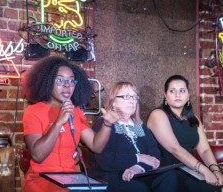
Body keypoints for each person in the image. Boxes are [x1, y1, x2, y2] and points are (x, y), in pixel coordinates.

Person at [21, 55, 119, 192]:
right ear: (48, 82)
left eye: (71, 81)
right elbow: (38, 155)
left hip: (70, 179)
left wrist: (107, 124)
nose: (67, 85)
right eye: (60, 80)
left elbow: (96, 146)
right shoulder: (33, 111)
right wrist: (58, 122)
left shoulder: (76, 111)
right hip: (42, 179)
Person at [88, 81, 177, 192]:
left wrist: (138, 167)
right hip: (111, 175)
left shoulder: (139, 125)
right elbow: (106, 160)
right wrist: (139, 157)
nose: (132, 101)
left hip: (139, 173)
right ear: (113, 102)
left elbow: (155, 154)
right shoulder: (104, 123)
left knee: (169, 177)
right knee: (137, 188)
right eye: (126, 96)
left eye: (134, 97)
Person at [147, 74, 223, 192]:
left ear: (188, 96)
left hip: (189, 170)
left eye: (182, 91)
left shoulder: (194, 119)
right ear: (165, 95)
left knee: (216, 187)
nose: (178, 94)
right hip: (165, 173)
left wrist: (215, 170)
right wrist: (204, 170)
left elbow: (204, 150)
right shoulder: (158, 114)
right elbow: (175, 149)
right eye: (172, 91)